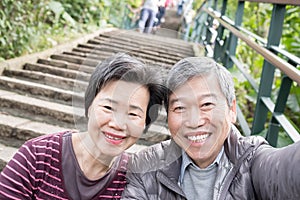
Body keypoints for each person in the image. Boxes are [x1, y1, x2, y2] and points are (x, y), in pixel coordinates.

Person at [122, 56, 300, 199]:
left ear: (231, 109)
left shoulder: (252, 161)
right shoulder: (145, 166)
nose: (194, 121)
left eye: (206, 104)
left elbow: (286, 170)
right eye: (180, 108)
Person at [0, 53, 165, 199]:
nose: (117, 124)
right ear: (89, 107)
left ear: (144, 124)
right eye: (108, 107)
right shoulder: (37, 156)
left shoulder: (136, 182)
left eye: (133, 114)